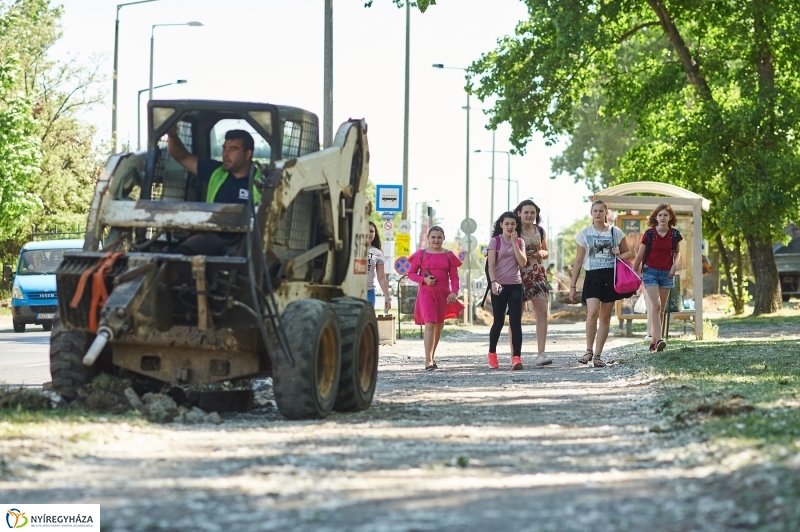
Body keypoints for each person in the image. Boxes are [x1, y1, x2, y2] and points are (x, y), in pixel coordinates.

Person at [166, 127, 261, 255]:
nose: (225, 154)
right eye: (224, 148)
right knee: (181, 255)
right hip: (212, 237)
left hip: (245, 242)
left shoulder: (263, 182)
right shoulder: (216, 171)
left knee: (237, 264)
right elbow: (181, 156)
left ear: (247, 154)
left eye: (232, 149)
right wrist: (172, 136)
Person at [569, 200, 635, 367]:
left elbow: (629, 253)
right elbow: (578, 261)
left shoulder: (615, 232)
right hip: (592, 276)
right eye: (595, 211)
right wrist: (572, 286)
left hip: (610, 276)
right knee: (592, 313)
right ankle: (588, 351)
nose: (598, 213)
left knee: (605, 317)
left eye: (601, 211)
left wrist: (619, 253)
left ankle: (598, 355)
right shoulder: (584, 234)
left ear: (606, 213)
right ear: (590, 212)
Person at [408, 226, 461, 371]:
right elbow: (411, 273)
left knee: (438, 325)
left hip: (443, 293)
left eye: (439, 237)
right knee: (430, 323)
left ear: (443, 238)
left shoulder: (449, 255)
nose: (436, 240)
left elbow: (455, 277)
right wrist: (423, 280)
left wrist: (454, 292)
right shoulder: (421, 254)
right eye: (433, 237)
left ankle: (432, 356)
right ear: (428, 238)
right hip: (426, 292)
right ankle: (428, 360)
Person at [632, 203, 682, 352]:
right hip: (650, 272)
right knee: (656, 305)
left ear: (670, 217)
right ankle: (660, 339)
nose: (662, 217)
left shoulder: (675, 234)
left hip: (667, 273)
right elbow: (640, 255)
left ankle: (654, 343)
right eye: (660, 215)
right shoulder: (648, 234)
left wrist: (675, 266)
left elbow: (678, 253)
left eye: (665, 215)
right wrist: (634, 273)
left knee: (659, 309)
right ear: (655, 217)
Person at [509, 200, 552, 366]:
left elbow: (546, 250)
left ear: (536, 214)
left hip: (537, 274)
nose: (529, 215)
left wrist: (543, 252)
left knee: (541, 312)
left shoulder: (539, 230)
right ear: (519, 213)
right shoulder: (513, 230)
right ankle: (515, 356)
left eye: (532, 212)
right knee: (515, 316)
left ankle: (541, 354)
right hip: (516, 275)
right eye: (526, 212)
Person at [487, 212, 528, 370]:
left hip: (515, 285)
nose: (510, 226)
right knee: (498, 322)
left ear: (516, 226)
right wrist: (493, 282)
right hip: (499, 285)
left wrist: (514, 244)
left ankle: (516, 358)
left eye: (513, 224)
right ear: (501, 225)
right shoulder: (495, 241)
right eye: (507, 224)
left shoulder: (519, 242)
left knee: (515, 322)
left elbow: (523, 263)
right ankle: (492, 353)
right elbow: (491, 265)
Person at [367, 221, 392, 312]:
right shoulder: (351, 249)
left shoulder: (377, 252)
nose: (369, 233)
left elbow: (381, 277)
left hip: (369, 292)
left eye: (371, 231)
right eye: (366, 230)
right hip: (353, 291)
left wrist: (387, 296)